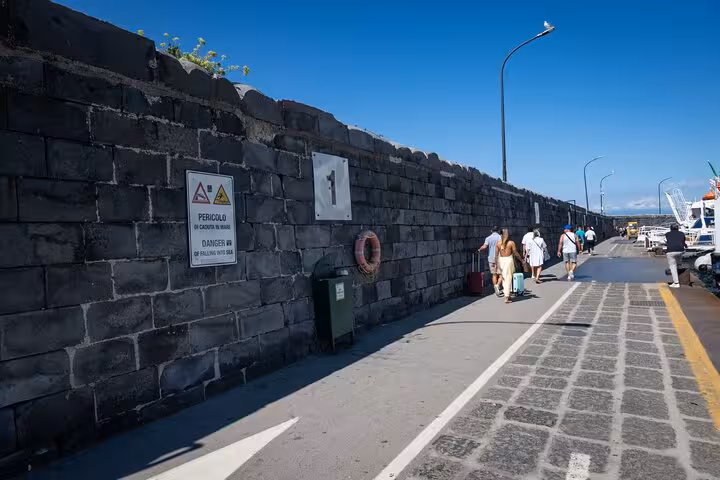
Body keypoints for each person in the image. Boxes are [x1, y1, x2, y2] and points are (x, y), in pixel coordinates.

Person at [496, 229, 523, 304]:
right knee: (508, 278)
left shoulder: (498, 243)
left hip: (501, 260)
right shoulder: (511, 243)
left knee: (505, 277)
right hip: (508, 261)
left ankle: (508, 293)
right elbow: (515, 253)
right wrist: (522, 260)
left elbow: (496, 255)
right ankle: (506, 297)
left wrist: (497, 264)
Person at [478, 226, 503, 297]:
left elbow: (485, 246)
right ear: (498, 231)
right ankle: (498, 285)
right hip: (499, 258)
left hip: (491, 258)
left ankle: (495, 287)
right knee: (501, 274)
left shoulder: (488, 238)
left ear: (491, 231)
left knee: (494, 274)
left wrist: (479, 249)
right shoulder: (500, 237)